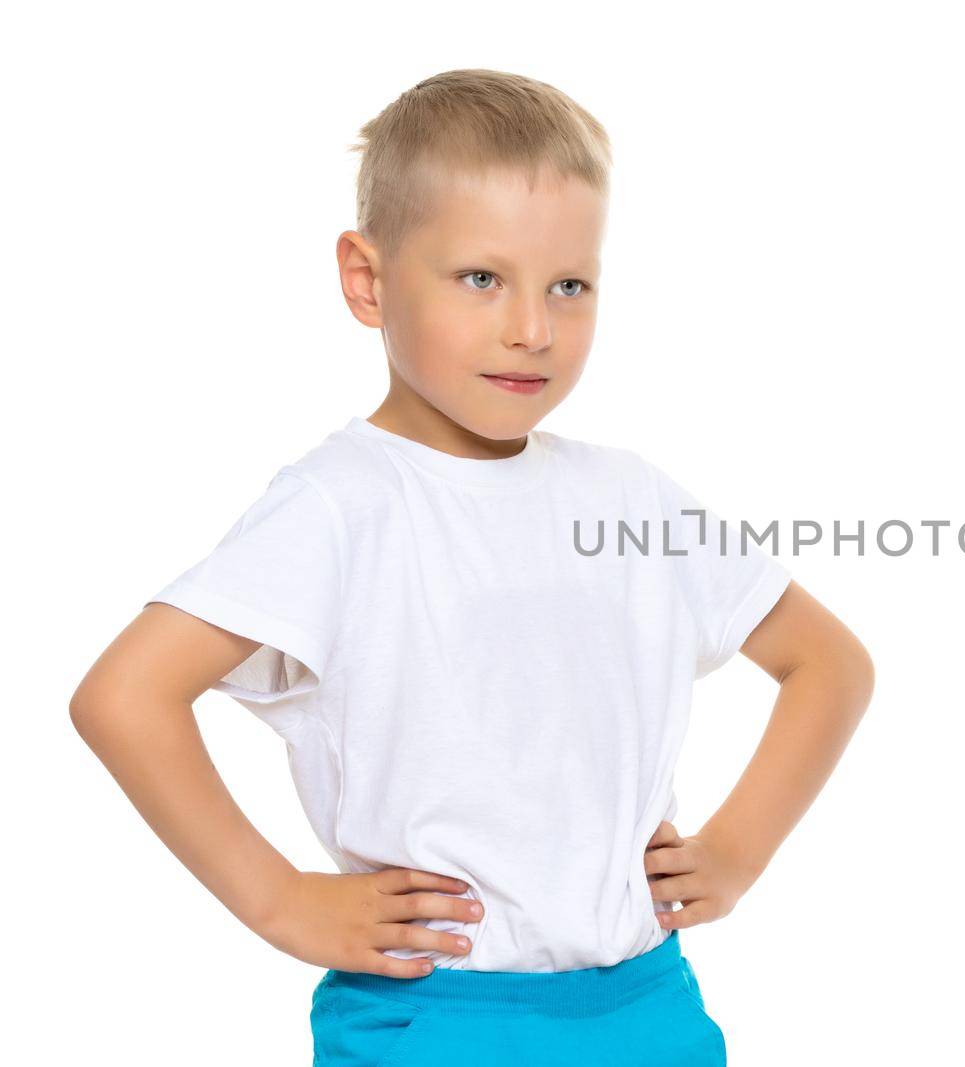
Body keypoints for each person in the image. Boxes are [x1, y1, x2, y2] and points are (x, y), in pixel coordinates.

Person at [69, 68, 874, 1066]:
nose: (532, 328)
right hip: (434, 1017)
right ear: (368, 280)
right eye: (480, 278)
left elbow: (830, 662)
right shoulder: (341, 507)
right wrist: (278, 900)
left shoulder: (635, 498)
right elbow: (124, 694)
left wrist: (737, 849)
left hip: (647, 1001)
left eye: (568, 285)